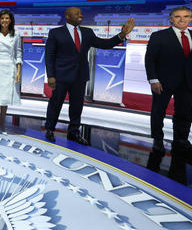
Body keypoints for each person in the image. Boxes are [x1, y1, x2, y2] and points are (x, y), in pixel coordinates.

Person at [44, 7, 135, 145]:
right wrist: (51, 75)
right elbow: (50, 55)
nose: (80, 15)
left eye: (81, 13)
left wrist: (121, 35)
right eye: (76, 13)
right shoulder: (55, 33)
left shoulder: (87, 32)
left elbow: (104, 44)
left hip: (80, 76)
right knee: (55, 104)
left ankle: (74, 133)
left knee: (77, 106)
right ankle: (50, 130)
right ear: (67, 16)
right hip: (61, 76)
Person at [144, 6, 192, 156]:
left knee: (185, 112)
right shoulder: (159, 36)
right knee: (159, 111)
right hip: (163, 82)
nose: (182, 19)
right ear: (171, 19)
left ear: (190, 19)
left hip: (188, 83)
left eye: (186, 16)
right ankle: (158, 140)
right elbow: (150, 60)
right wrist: (153, 79)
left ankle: (181, 141)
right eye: (178, 16)